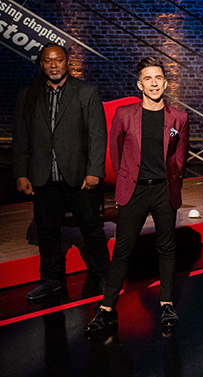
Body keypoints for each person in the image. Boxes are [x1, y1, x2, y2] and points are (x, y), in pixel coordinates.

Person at [84, 57, 190, 334]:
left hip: (164, 190)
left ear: (165, 83)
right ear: (139, 84)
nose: (153, 83)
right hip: (134, 190)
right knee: (122, 250)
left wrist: (173, 184)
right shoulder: (125, 114)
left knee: (166, 248)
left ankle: (166, 304)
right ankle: (106, 309)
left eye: (158, 79)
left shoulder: (179, 117)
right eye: (148, 79)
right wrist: (125, 181)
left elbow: (180, 158)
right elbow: (116, 152)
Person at [12, 43, 110, 301]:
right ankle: (50, 279)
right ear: (41, 63)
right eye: (48, 61)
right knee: (47, 230)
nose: (53, 65)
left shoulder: (86, 92)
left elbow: (98, 135)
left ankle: (103, 276)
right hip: (43, 176)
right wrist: (21, 172)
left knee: (91, 228)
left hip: (80, 177)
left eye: (58, 60)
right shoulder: (29, 94)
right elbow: (21, 137)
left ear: (68, 62)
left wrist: (95, 171)